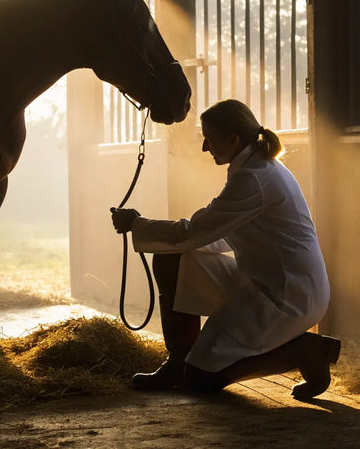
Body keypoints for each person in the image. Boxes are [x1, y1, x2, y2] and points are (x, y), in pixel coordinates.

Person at [110, 99, 340, 401]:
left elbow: (196, 232)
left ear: (233, 140)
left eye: (209, 138)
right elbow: (213, 235)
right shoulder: (256, 167)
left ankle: (305, 351)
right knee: (172, 258)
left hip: (286, 295)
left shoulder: (253, 177)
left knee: (201, 379)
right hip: (265, 281)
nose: (205, 147)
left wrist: (138, 225)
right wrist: (162, 236)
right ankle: (178, 360)